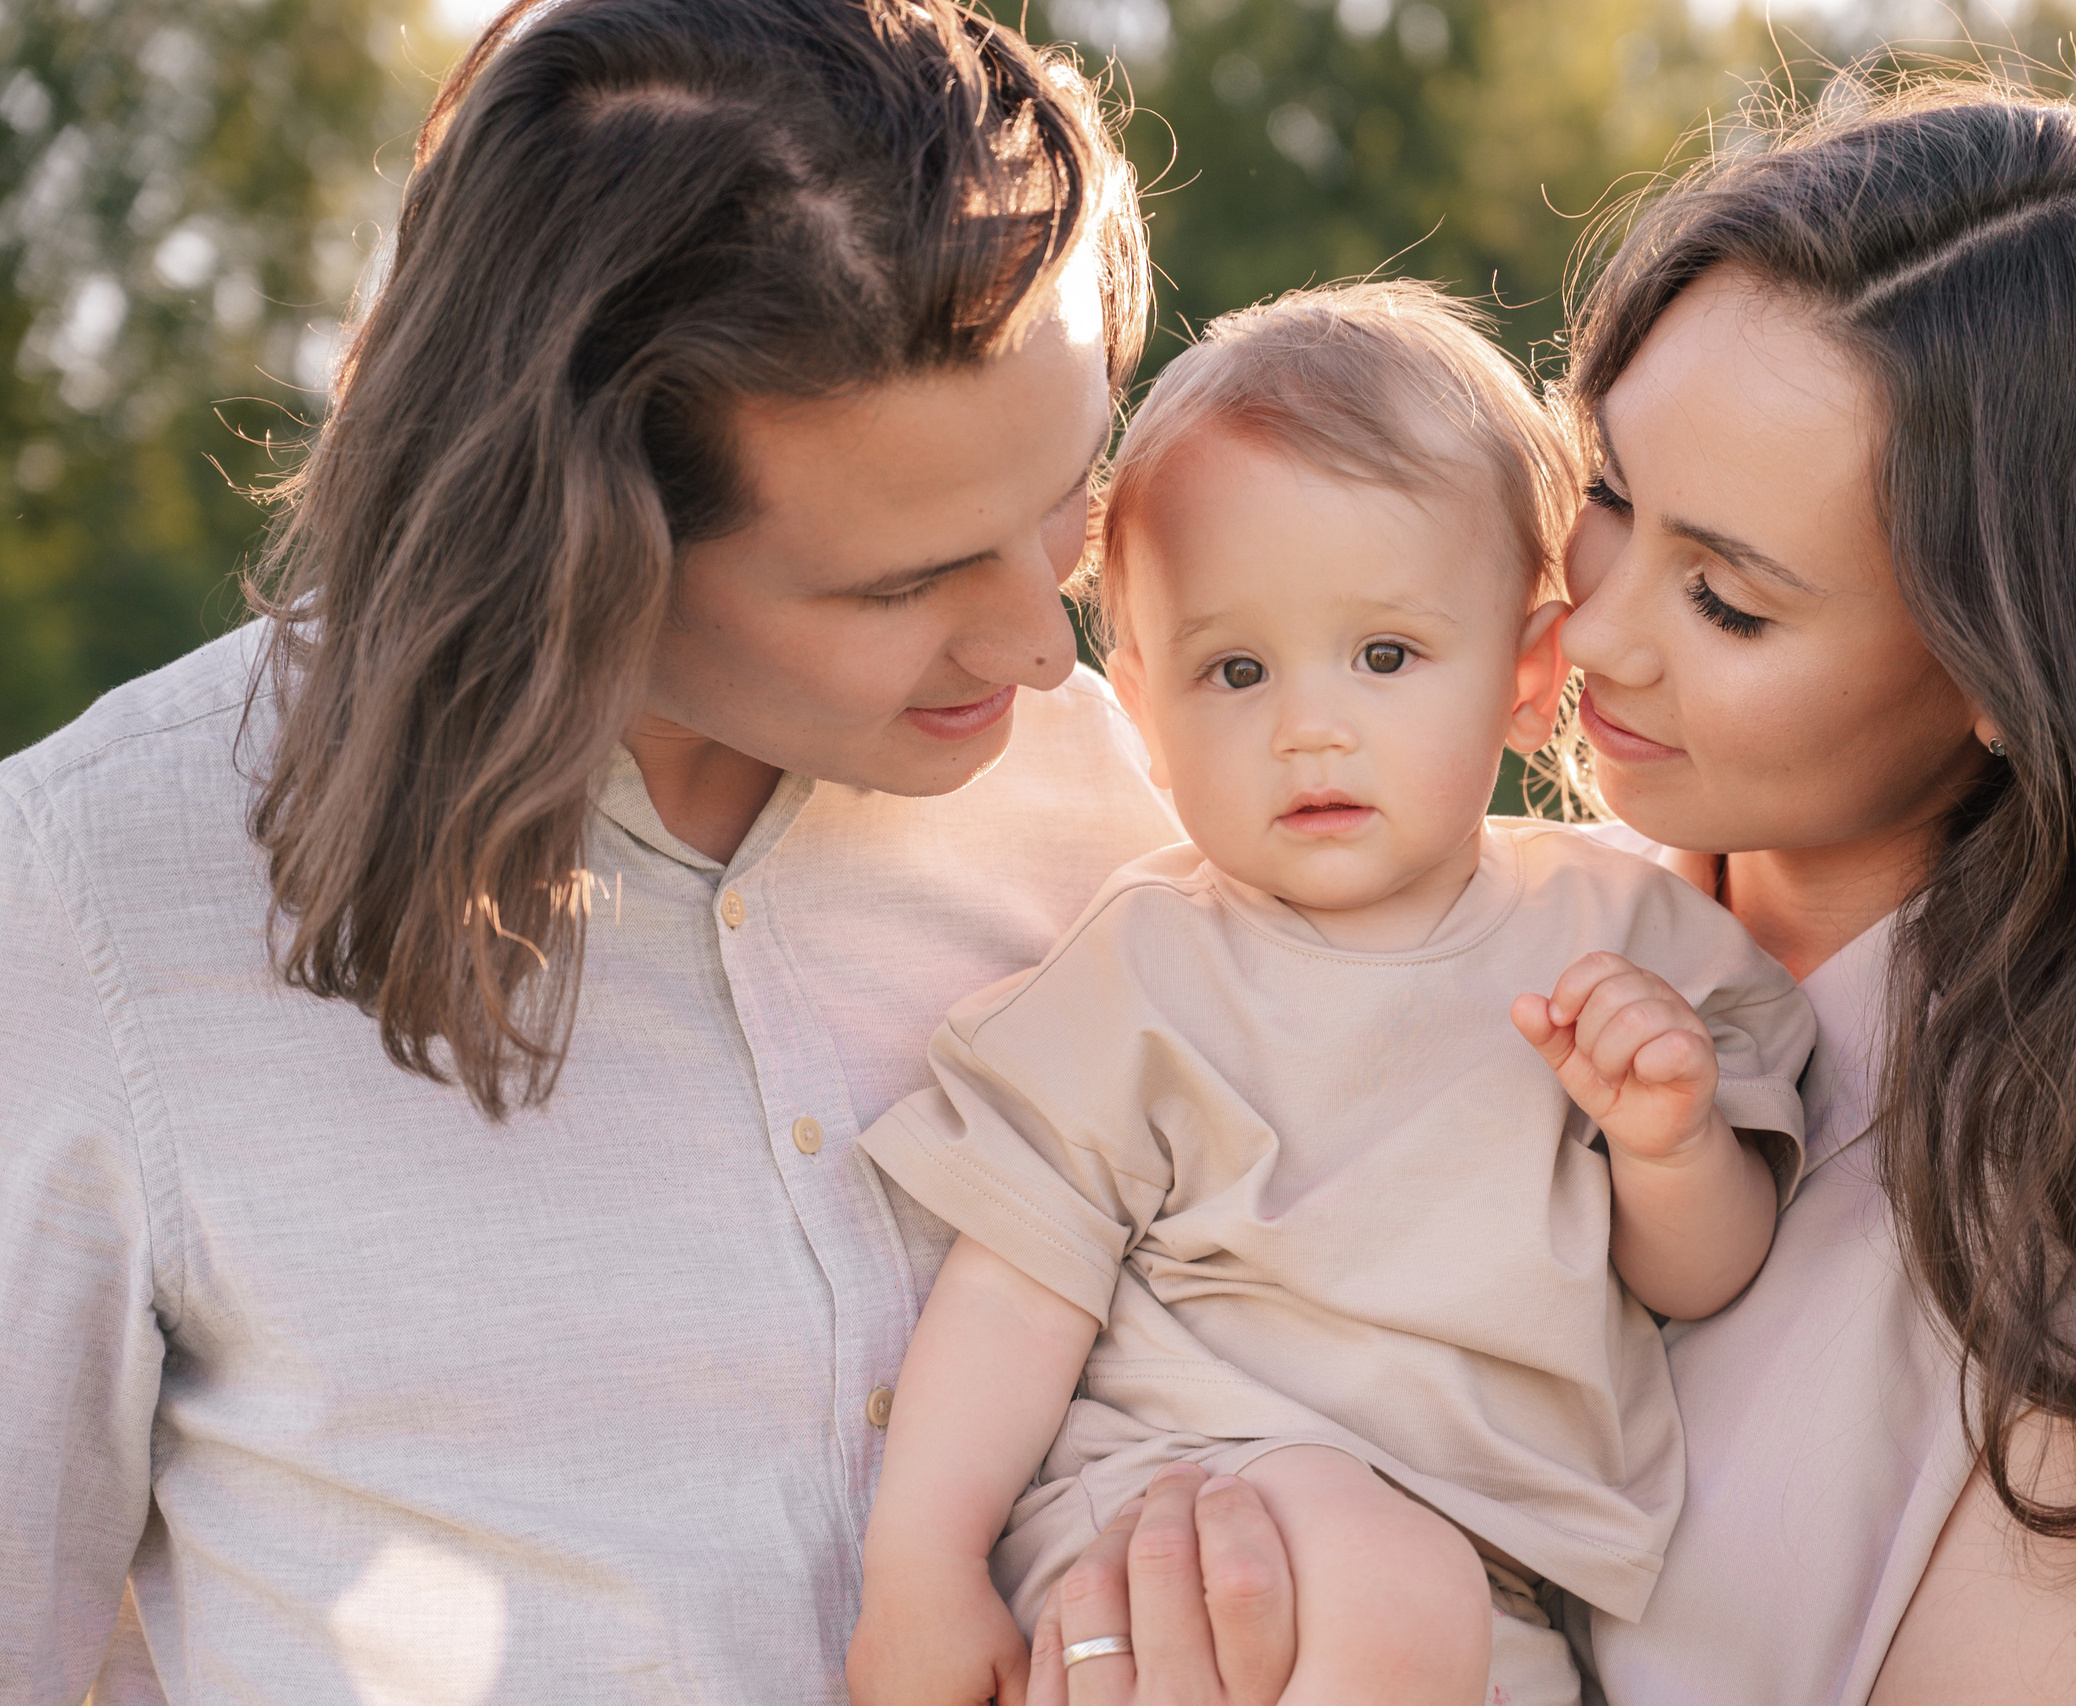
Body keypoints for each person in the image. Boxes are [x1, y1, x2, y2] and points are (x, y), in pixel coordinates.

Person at [1017, 82, 2076, 1706]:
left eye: (1726, 600)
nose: (1589, 633)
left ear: (2011, 671)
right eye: (1610, 500)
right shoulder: (1435, 933)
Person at [0, 2, 1224, 1699]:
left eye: (1062, 495)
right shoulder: (96, 902)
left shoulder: (1141, 814)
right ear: (578, 544)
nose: (1040, 642)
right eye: (903, 581)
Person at [843, 282, 1816, 1706]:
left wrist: (1671, 1145)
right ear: (1146, 716)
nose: (1311, 724)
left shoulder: (1620, 935)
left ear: (1528, 674)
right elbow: (1012, 1291)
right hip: (1174, 1525)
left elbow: (1705, 1277)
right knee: (1382, 1574)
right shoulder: (1150, 966)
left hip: (1495, 1588)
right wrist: (918, 1570)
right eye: (1235, 669)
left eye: (1385, 655)